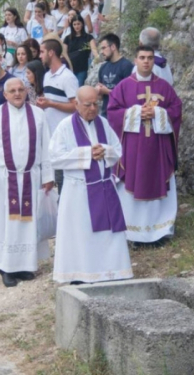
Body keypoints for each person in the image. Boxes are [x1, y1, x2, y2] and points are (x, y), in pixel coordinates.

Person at [49, 86, 133, 284]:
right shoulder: (65, 126)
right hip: (78, 190)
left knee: (108, 234)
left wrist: (105, 150)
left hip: (104, 188)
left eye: (96, 103)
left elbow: (118, 150)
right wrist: (87, 154)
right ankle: (80, 274)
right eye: (88, 105)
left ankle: (111, 271)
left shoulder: (103, 123)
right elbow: (55, 158)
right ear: (76, 104)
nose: (93, 108)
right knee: (80, 234)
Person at [0, 78, 54, 287]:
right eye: (12, 91)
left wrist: (48, 176)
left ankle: (24, 265)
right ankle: (5, 267)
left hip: (31, 176)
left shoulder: (38, 115)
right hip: (4, 179)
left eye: (21, 90)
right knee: (6, 223)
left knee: (27, 222)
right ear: (5, 94)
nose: (17, 94)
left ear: (28, 91)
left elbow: (45, 146)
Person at [107, 46, 182, 244]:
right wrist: (136, 113)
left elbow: (176, 110)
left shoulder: (164, 87)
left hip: (157, 148)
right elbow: (112, 112)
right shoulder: (123, 86)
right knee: (130, 184)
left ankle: (159, 231)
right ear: (135, 60)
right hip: (132, 148)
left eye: (149, 58)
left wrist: (158, 114)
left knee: (157, 181)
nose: (146, 61)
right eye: (142, 57)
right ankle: (132, 232)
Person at [37, 39, 79, 195]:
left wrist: (51, 104)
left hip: (64, 133)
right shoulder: (47, 75)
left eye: (42, 52)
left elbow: (77, 106)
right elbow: (50, 101)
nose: (40, 56)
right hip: (49, 131)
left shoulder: (68, 77)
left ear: (51, 52)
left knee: (62, 177)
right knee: (51, 174)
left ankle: (64, 210)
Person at [95, 33, 133, 118]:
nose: (102, 52)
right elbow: (101, 97)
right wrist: (98, 91)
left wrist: (107, 91)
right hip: (105, 113)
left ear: (113, 47)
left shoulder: (127, 66)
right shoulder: (103, 67)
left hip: (121, 115)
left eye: (104, 48)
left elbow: (129, 96)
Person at [63, 14, 98, 86]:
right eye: (74, 24)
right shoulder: (67, 38)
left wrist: (98, 58)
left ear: (82, 24)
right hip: (70, 67)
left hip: (82, 67)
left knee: (79, 85)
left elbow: (94, 49)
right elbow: (64, 53)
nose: (76, 26)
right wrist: (69, 65)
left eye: (78, 24)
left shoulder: (88, 37)